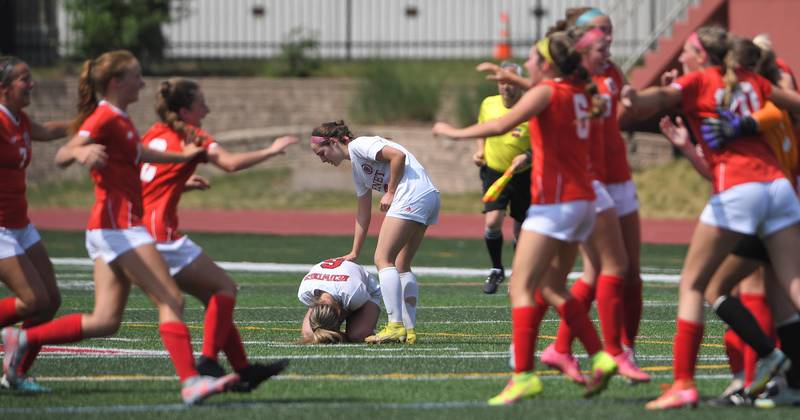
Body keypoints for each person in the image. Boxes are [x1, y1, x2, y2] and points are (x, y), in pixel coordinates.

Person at [1, 50, 237, 405]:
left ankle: (23, 340)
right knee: (170, 298)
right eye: (136, 77)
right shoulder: (105, 117)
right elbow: (66, 153)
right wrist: (79, 153)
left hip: (108, 228)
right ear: (117, 82)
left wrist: (183, 159)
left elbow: (140, 154)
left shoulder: (119, 118)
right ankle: (191, 381)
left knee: (105, 320)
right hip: (119, 227)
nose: (143, 83)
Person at [434, 31, 617, 405]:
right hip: (584, 202)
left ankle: (523, 377)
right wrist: (507, 76)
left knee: (521, 287)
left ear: (547, 64)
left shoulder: (547, 92)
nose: (529, 62)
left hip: (556, 202)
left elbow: (501, 125)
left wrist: (453, 133)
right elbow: (538, 87)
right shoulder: (580, 92)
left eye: (533, 57)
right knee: (550, 285)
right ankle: (598, 355)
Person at [623, 28, 800, 409]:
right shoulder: (752, 81)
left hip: (739, 189)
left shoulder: (701, 78)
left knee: (694, 284)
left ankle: (685, 382)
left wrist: (633, 95)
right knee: (791, 288)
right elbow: (794, 104)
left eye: (686, 50)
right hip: (780, 189)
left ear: (703, 56)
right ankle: (783, 373)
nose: (681, 56)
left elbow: (655, 99)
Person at [139, 78, 294, 390]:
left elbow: (145, 181)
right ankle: (209, 361)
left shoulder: (153, 133)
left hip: (136, 232)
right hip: (161, 235)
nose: (207, 110)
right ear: (185, 111)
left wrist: (180, 183)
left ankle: (243, 369)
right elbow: (231, 164)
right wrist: (272, 150)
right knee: (225, 287)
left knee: (214, 298)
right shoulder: (194, 137)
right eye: (201, 104)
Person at [309, 120, 440, 345]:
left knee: (382, 259)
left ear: (332, 142)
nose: (323, 160)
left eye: (322, 153)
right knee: (401, 264)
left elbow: (398, 156)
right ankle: (409, 330)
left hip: (412, 195)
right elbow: (363, 214)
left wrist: (390, 193)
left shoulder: (360, 145)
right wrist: (354, 251)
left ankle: (395, 326)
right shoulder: (358, 170)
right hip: (428, 196)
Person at [0, 56, 69, 392]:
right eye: (24, 79)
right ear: (3, 89)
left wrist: (86, 124)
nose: (32, 84)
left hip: (20, 225)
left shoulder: (20, 120)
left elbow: (46, 131)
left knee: (51, 300)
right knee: (31, 301)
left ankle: (14, 373)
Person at [473, 61, 531, 294]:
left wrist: (527, 157)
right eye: (502, 81)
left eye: (511, 81)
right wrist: (480, 150)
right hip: (494, 172)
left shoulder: (529, 107)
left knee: (522, 228)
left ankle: (519, 271)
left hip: (524, 175)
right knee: (492, 222)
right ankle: (497, 269)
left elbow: (542, 143)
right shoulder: (489, 104)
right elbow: (482, 129)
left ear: (519, 83)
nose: (506, 86)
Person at [299, 258, 381, 343]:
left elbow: (354, 308)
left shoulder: (353, 294)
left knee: (357, 335)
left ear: (340, 313)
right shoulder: (305, 292)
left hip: (367, 293)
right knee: (309, 334)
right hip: (344, 287)